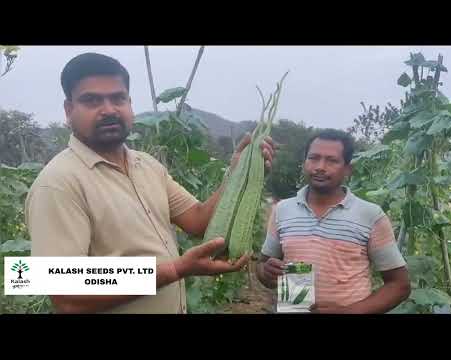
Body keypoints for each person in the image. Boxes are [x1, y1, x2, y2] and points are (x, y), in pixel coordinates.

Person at [25, 52, 275, 314]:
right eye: (91, 100)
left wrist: (238, 173)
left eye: (118, 98)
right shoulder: (58, 184)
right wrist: (177, 269)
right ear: (68, 110)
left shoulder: (147, 166)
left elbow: (198, 220)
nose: (109, 109)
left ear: (130, 103)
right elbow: (67, 298)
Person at [256, 129, 410, 314]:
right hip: (294, 309)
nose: (320, 166)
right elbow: (262, 266)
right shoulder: (283, 210)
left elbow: (399, 285)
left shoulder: (370, 215)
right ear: (304, 162)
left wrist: (349, 311)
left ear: (348, 169)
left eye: (332, 160)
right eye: (313, 158)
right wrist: (267, 272)